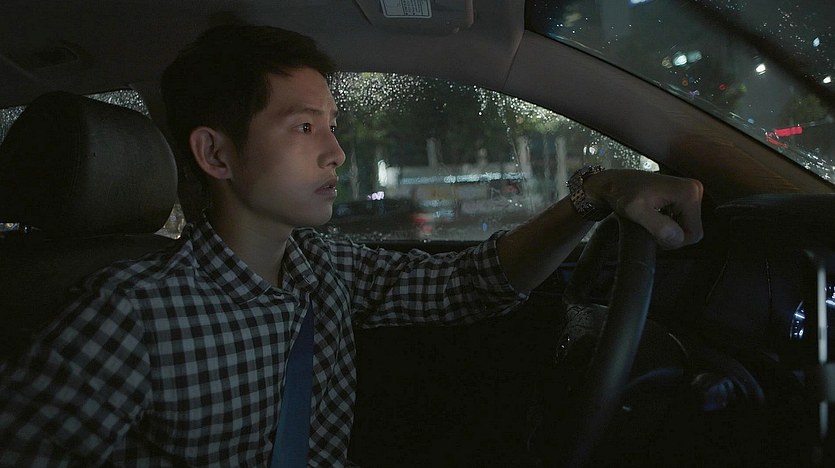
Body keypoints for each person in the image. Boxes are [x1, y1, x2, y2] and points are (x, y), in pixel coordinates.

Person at [0, 24, 703, 467]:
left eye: (332, 125)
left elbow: (469, 285)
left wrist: (592, 197)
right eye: (304, 127)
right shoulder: (129, 312)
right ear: (216, 154)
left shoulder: (321, 266)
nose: (336, 152)